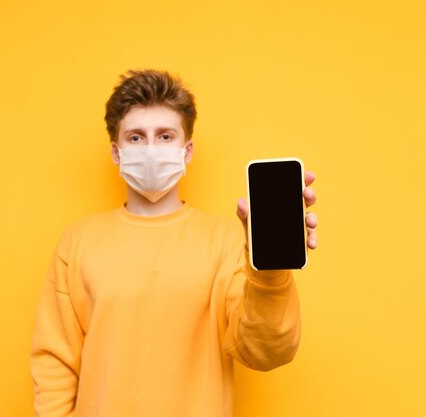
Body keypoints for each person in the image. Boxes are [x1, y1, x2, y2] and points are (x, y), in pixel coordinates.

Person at [29, 69, 318, 417]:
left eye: (165, 136)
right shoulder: (78, 242)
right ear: (117, 153)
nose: (151, 148)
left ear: (187, 150)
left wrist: (270, 274)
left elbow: (265, 350)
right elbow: (54, 365)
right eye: (136, 138)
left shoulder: (227, 242)